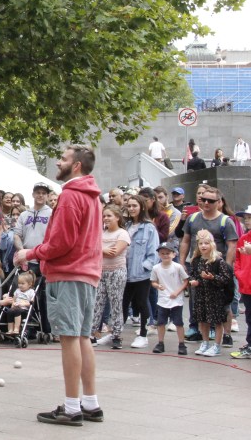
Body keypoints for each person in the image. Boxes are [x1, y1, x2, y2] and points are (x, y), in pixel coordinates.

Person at [13, 144, 103, 427]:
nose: (58, 162)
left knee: (69, 337)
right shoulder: (91, 196)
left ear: (76, 165)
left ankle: (72, 407)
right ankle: (90, 403)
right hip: (86, 273)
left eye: (63, 159)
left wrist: (29, 253)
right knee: (82, 336)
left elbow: (61, 243)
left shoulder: (71, 196)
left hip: (69, 274)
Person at [14, 182, 54, 338]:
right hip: (28, 261)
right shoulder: (24, 214)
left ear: (47, 195)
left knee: (44, 296)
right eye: (38, 192)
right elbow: (17, 235)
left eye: (44, 193)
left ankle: (47, 328)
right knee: (25, 294)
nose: (40, 195)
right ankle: (28, 327)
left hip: (44, 259)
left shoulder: (52, 213)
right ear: (33, 194)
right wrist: (22, 251)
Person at [121, 194, 158, 349]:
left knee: (142, 302)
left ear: (142, 207)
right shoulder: (127, 226)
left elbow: (153, 252)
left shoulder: (149, 227)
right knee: (123, 303)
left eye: (134, 206)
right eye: (129, 206)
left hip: (141, 273)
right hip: (125, 271)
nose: (131, 209)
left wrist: (145, 267)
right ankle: (116, 332)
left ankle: (143, 334)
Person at [188, 230, 232, 357]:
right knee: (202, 320)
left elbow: (226, 279)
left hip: (215, 296)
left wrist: (212, 277)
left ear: (212, 244)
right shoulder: (196, 260)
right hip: (201, 295)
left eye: (206, 243)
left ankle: (217, 346)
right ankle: (205, 343)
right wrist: (193, 281)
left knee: (217, 321)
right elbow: (192, 274)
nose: (203, 246)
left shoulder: (218, 261)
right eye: (201, 243)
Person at [92, 205, 130, 349]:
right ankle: (92, 332)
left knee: (116, 303)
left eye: (109, 216)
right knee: (97, 302)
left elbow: (114, 252)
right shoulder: (101, 234)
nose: (106, 218)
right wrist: (102, 250)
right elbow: (92, 249)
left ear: (117, 217)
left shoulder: (122, 233)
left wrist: (99, 250)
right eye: (104, 216)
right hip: (100, 271)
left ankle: (116, 334)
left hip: (117, 272)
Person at [150, 243, 188, 355]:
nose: (165, 255)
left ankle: (181, 344)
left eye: (168, 253)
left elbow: (186, 280)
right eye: (162, 253)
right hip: (163, 299)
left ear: (173, 254)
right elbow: (153, 281)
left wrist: (177, 292)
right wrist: (158, 286)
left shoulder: (178, 267)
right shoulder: (156, 268)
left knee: (178, 323)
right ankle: (160, 343)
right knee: (161, 322)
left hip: (176, 300)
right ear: (159, 255)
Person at [232, 223, 251, 359]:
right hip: (246, 285)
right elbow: (238, 258)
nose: (248, 220)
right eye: (247, 218)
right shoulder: (244, 238)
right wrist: (240, 274)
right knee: (249, 317)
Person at [6, 271, 36, 335]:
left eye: (23, 283)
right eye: (19, 283)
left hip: (24, 310)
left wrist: (23, 304)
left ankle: (16, 328)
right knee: (9, 311)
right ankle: (10, 329)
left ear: (29, 284)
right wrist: (13, 304)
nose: (20, 285)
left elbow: (31, 303)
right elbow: (13, 299)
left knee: (17, 311)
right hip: (15, 308)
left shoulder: (31, 292)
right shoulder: (17, 291)